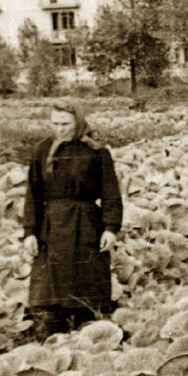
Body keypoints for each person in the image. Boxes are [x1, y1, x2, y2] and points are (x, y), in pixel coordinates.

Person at [22, 100, 123, 340]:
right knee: (48, 292)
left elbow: (111, 193)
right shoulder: (42, 150)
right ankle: (49, 338)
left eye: (65, 123)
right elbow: (32, 194)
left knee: (86, 286)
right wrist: (29, 232)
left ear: (78, 122)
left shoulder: (96, 151)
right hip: (51, 227)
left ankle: (87, 337)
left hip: (85, 225)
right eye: (55, 124)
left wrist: (110, 228)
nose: (60, 129)